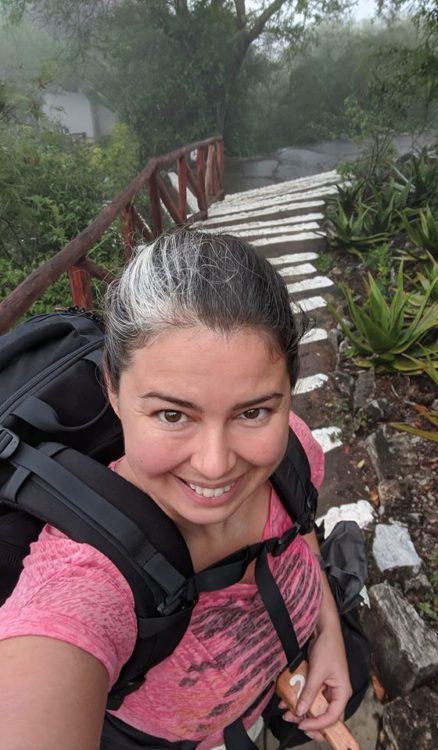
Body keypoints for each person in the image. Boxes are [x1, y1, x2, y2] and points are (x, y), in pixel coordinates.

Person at [0, 229, 359, 750]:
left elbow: (300, 532)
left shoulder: (293, 454)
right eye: (172, 414)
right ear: (114, 392)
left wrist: (327, 635)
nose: (215, 466)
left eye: (253, 411)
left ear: (287, 396)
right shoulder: (84, 576)